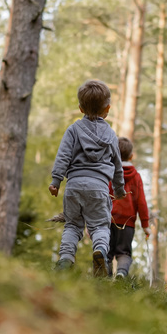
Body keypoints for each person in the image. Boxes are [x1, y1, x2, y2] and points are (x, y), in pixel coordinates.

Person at [49, 80, 125, 276]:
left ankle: (66, 260)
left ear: (80, 108)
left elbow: (63, 156)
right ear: (107, 109)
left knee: (73, 225)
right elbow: (117, 166)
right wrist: (119, 190)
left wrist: (56, 180)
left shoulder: (73, 130)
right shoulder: (111, 135)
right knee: (100, 225)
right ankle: (99, 251)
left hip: (74, 185)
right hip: (99, 188)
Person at [107, 136, 150, 278]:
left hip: (108, 219)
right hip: (127, 223)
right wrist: (145, 225)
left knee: (106, 251)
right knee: (124, 253)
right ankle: (121, 273)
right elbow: (141, 202)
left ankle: (103, 278)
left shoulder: (109, 173)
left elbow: (102, 195)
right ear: (131, 157)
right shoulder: (136, 176)